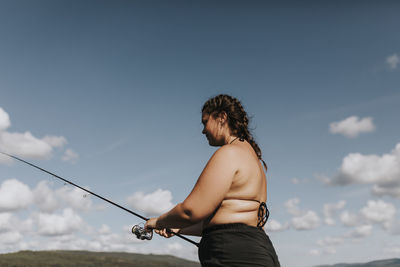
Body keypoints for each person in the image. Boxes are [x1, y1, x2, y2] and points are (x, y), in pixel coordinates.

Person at [145, 94, 280, 267]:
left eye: (205, 122)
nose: (203, 130)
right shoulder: (251, 158)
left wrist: (158, 221)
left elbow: (190, 211)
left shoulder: (229, 153)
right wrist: (179, 228)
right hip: (258, 250)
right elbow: (228, 221)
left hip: (233, 256)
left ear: (221, 117)